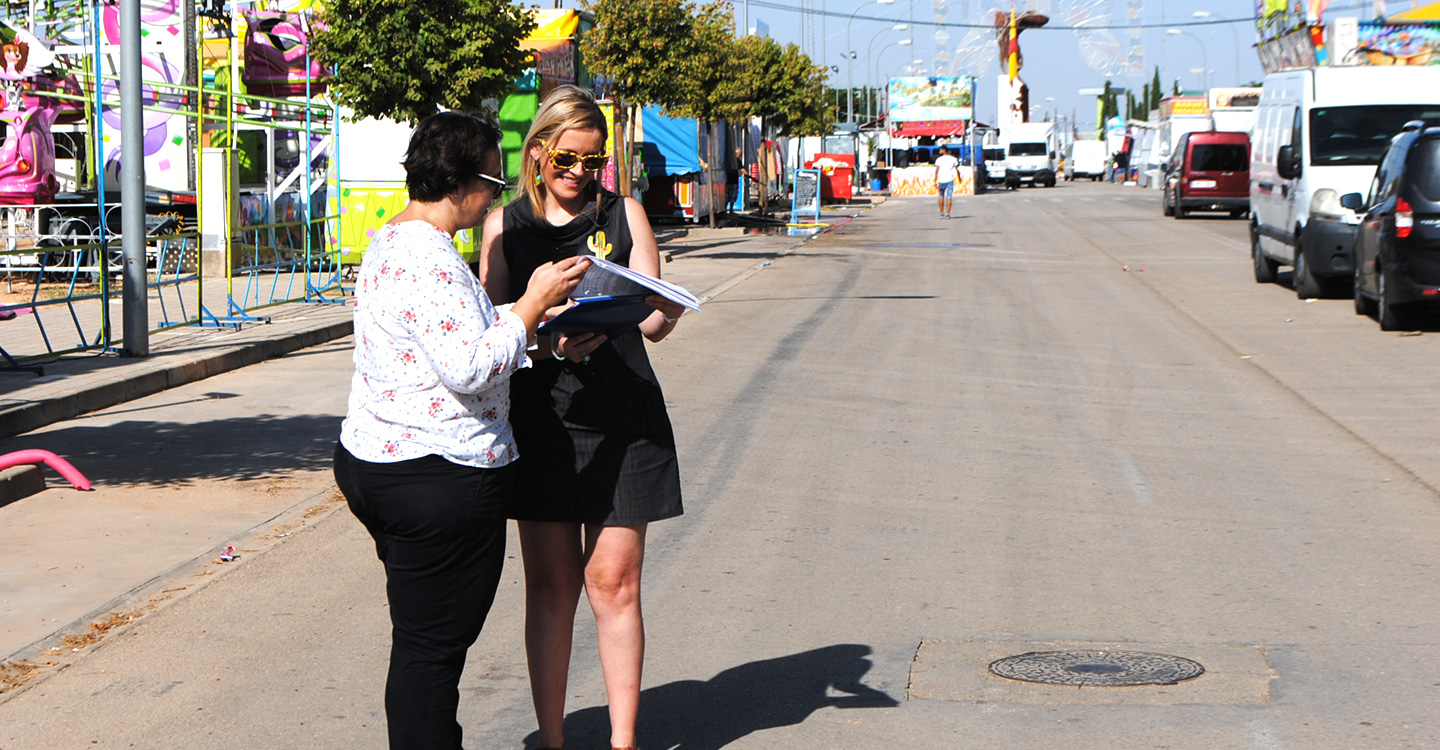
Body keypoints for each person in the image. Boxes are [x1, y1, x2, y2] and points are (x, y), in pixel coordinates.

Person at [332, 111, 589, 750]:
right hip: (437, 477)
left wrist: (533, 329)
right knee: (431, 653)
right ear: (461, 184)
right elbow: (469, 365)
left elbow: (453, 333)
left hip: (382, 461)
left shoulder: (393, 237)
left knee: (420, 643)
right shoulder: (432, 258)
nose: (497, 196)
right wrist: (529, 305)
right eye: (494, 184)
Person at [479, 84, 686, 750]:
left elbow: (653, 316)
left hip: (625, 417)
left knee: (614, 582)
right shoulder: (505, 226)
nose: (578, 175)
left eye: (592, 162)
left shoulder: (624, 213)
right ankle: (553, 738)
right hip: (543, 420)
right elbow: (491, 333)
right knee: (553, 587)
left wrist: (670, 309)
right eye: (566, 160)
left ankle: (623, 743)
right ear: (538, 151)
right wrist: (543, 336)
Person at [934, 145, 959, 219]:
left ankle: (942, 213)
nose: (939, 151)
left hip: (941, 179)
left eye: (940, 150)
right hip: (950, 179)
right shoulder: (953, 159)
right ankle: (948, 213)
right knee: (949, 196)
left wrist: (935, 179)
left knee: (941, 196)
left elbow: (937, 170)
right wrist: (959, 178)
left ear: (944, 150)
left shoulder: (939, 159)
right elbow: (957, 169)